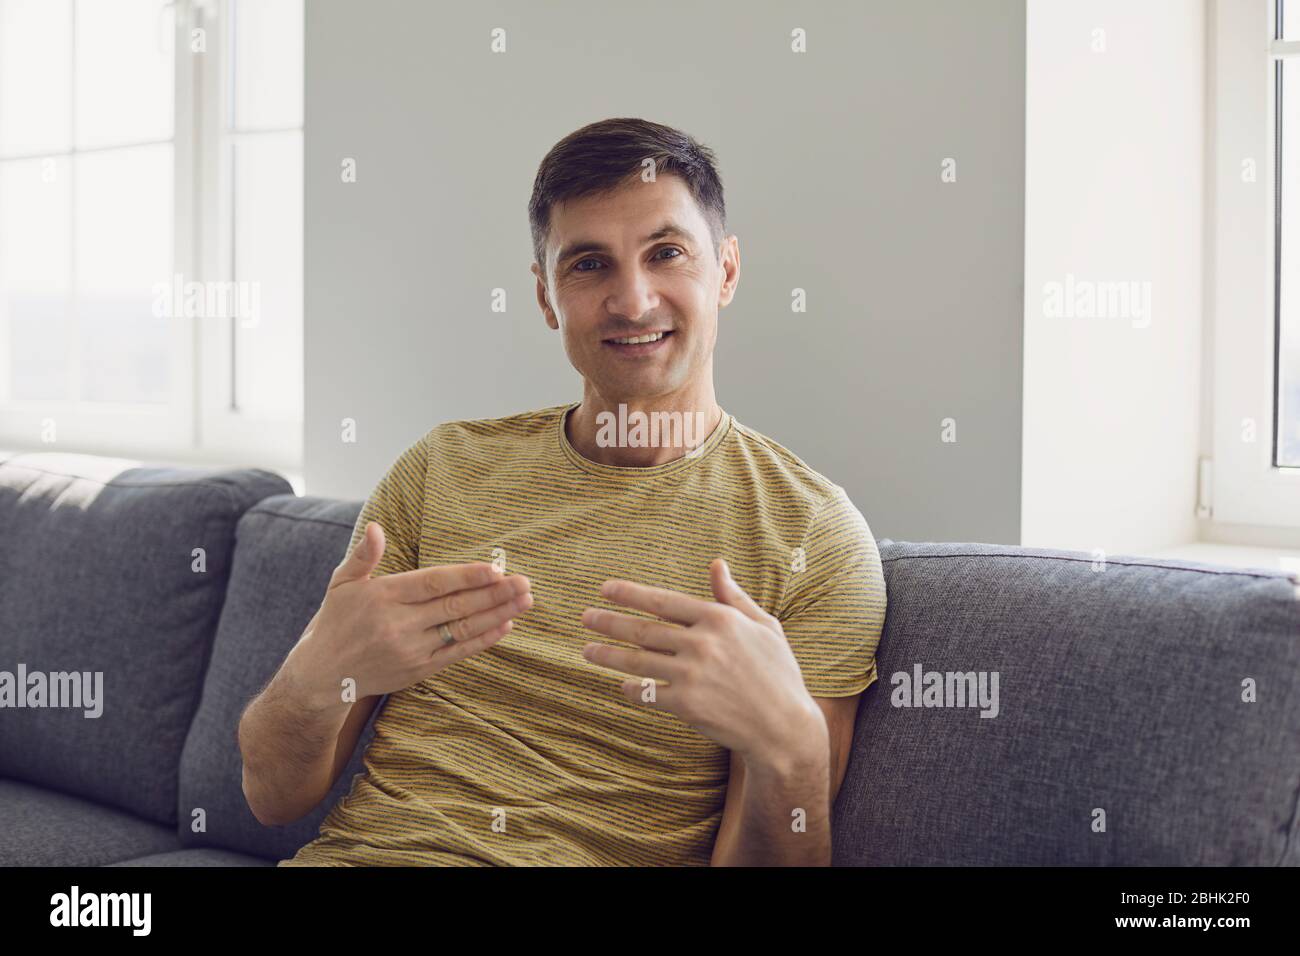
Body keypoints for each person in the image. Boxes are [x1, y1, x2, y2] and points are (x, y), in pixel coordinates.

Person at [239, 117, 887, 866]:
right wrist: (316, 672)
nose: (634, 300)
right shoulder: (440, 470)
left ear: (728, 272)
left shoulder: (814, 538)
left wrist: (792, 750)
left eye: (667, 253)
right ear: (547, 298)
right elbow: (272, 796)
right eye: (588, 265)